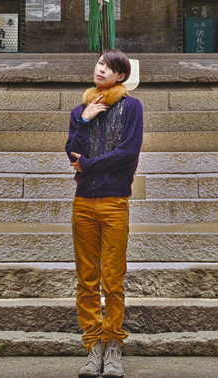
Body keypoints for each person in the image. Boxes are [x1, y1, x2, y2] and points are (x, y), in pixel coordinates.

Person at [65, 49, 143, 378]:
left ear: (120, 76)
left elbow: (128, 152)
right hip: (83, 202)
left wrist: (88, 165)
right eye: (99, 63)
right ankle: (92, 346)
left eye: (109, 67)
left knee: (112, 279)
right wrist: (85, 121)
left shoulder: (131, 108)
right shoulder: (79, 110)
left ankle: (112, 345)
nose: (101, 69)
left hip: (114, 202)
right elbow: (72, 150)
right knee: (87, 279)